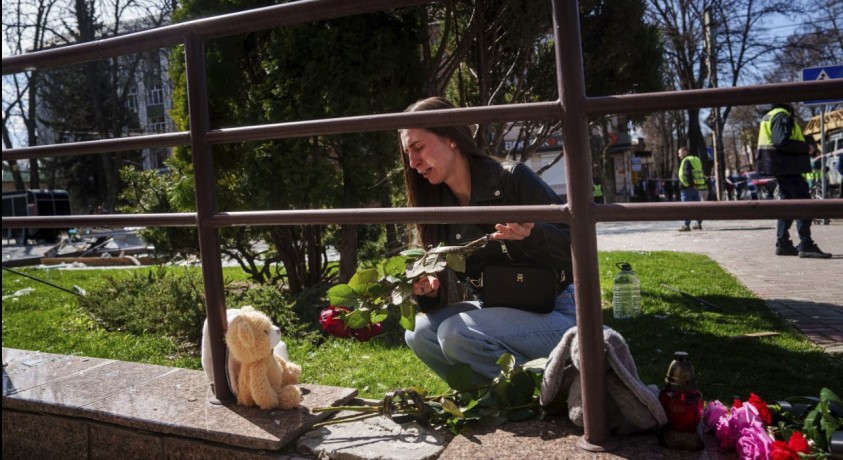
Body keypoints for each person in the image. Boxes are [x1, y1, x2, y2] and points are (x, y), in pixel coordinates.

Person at [399, 96, 576, 384]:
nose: (413, 163)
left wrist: (533, 236)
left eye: (418, 148)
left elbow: (575, 246)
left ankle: (550, 388)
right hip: (495, 310)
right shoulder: (436, 207)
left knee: (455, 332)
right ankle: (490, 399)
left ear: (450, 137)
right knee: (418, 334)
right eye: (408, 153)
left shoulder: (512, 178)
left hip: (558, 311)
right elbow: (450, 288)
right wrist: (430, 291)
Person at [756, 103, 831, 258]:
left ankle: (783, 243)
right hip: (786, 166)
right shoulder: (781, 115)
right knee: (803, 203)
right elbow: (780, 141)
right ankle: (806, 244)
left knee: (787, 203)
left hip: (780, 165)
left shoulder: (770, 114)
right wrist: (805, 148)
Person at [676, 147, 707, 231]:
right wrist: (695, 184)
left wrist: (689, 184)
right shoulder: (696, 159)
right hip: (696, 186)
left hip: (687, 187)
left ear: (686, 152)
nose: (679, 155)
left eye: (680, 153)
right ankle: (699, 223)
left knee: (686, 207)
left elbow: (687, 173)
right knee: (696, 206)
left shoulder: (686, 160)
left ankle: (686, 225)